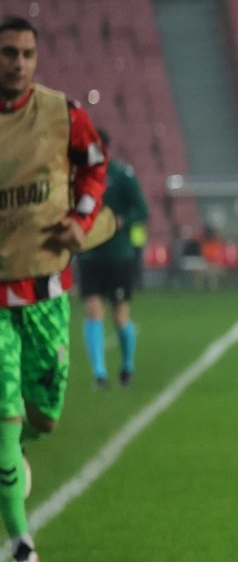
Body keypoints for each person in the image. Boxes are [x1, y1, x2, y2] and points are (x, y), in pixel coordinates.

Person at [0, 16, 112, 562]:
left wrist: (80, 220)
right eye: (6, 53)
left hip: (45, 291)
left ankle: (15, 457)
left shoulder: (62, 113)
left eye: (24, 53)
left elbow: (95, 168)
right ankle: (22, 544)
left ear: (36, 59)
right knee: (5, 418)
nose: (15, 62)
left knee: (43, 417)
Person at [75, 129, 148, 389]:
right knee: (93, 311)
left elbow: (141, 209)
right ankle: (99, 374)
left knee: (119, 316)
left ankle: (127, 366)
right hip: (89, 254)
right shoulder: (77, 178)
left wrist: (122, 221)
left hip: (118, 255)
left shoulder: (121, 175)